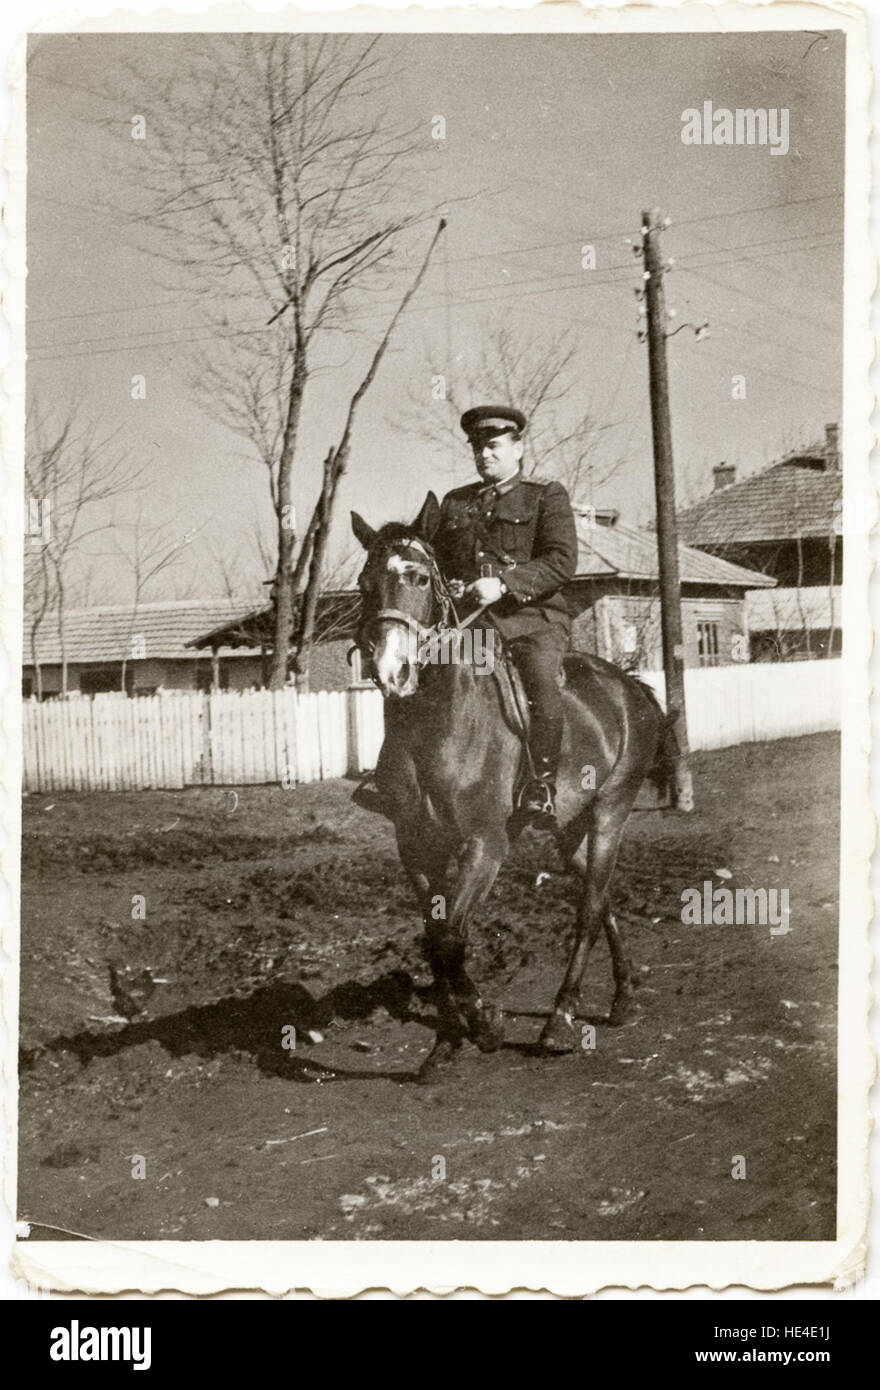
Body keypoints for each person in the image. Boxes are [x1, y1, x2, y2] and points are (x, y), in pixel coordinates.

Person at [430, 404, 578, 821]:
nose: (484, 455)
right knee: (431, 676)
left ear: (518, 448)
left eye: (493, 446)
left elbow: (562, 561)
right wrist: (453, 586)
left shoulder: (545, 494)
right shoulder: (455, 503)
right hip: (474, 628)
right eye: (478, 448)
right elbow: (441, 565)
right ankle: (404, 774)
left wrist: (505, 585)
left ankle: (541, 786)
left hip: (530, 623)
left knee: (540, 684)